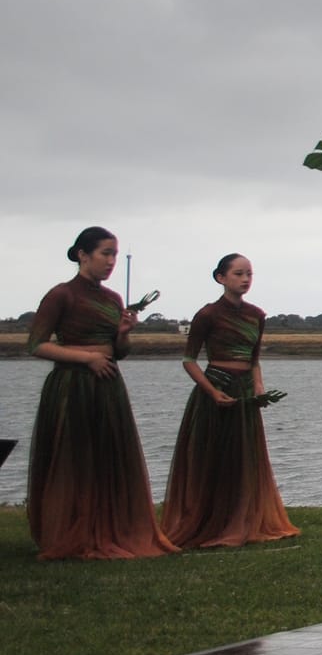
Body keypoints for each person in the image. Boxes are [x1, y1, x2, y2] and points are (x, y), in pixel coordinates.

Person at [25, 227, 177, 560]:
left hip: (108, 384)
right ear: (82, 254)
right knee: (74, 460)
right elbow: (36, 345)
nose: (111, 261)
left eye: (114, 255)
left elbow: (119, 352)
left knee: (109, 459)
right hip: (72, 386)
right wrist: (87, 358)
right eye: (105, 253)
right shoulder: (61, 295)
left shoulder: (113, 299)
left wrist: (123, 333)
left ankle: (110, 529)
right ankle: (70, 533)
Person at [161, 254, 300, 548]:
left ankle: (243, 519)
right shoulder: (208, 315)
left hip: (245, 394)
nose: (245, 279)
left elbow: (254, 360)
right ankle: (210, 521)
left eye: (249, 274)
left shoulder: (257, 315)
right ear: (221, 278)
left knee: (243, 459)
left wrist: (259, 390)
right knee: (212, 459)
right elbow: (189, 360)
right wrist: (211, 391)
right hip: (215, 390)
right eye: (238, 274)